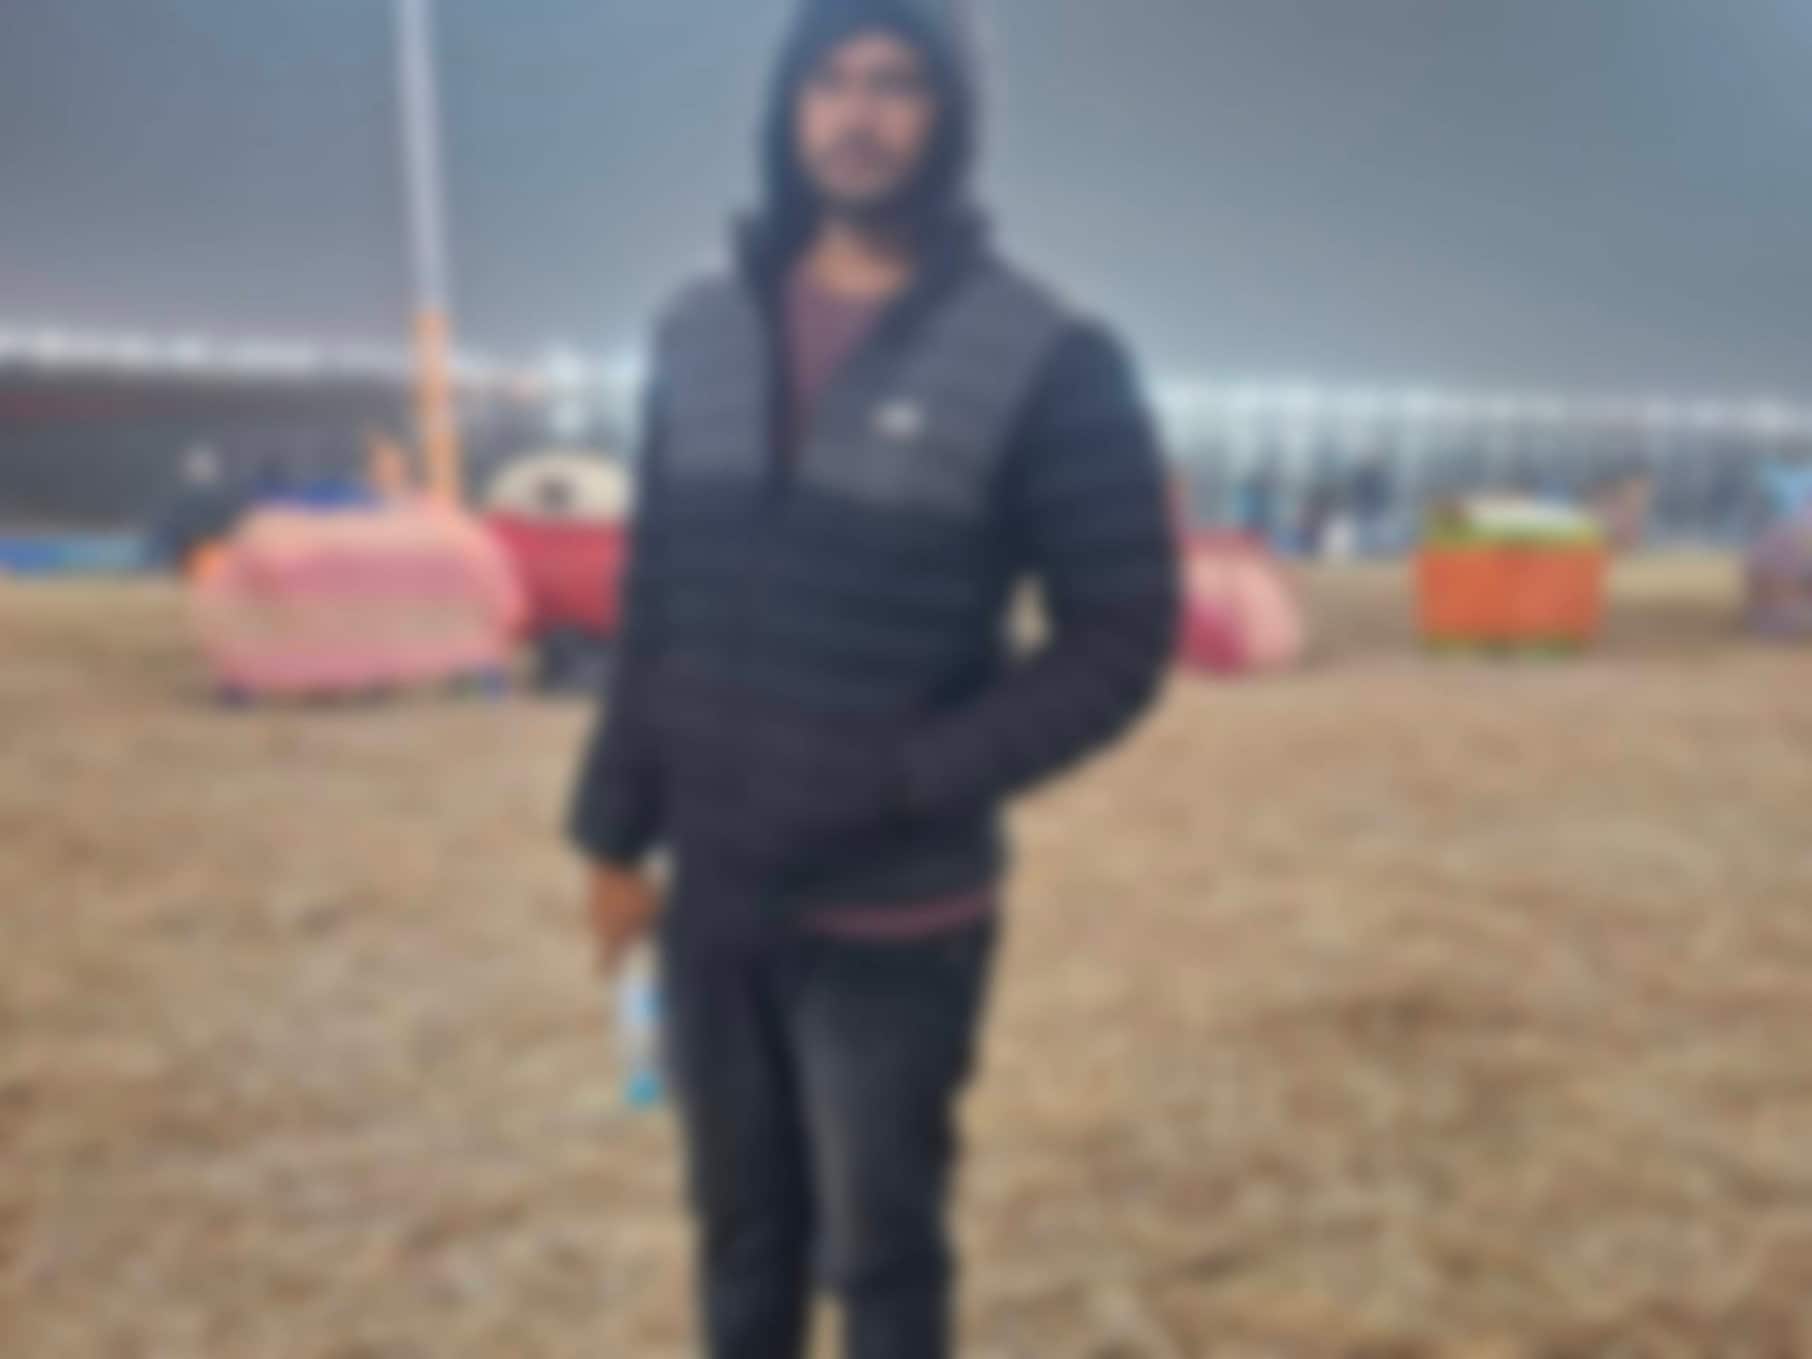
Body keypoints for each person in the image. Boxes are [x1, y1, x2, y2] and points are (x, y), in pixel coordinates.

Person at [566, 2, 1180, 1355]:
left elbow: (1123, 633)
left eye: (897, 82)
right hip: (716, 901)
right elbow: (656, 601)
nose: (858, 113)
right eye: (830, 80)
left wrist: (910, 776)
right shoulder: (699, 331)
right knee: (740, 1241)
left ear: (950, 116)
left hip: (897, 920)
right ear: (787, 107)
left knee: (881, 1259)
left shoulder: (1047, 358)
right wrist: (613, 833)